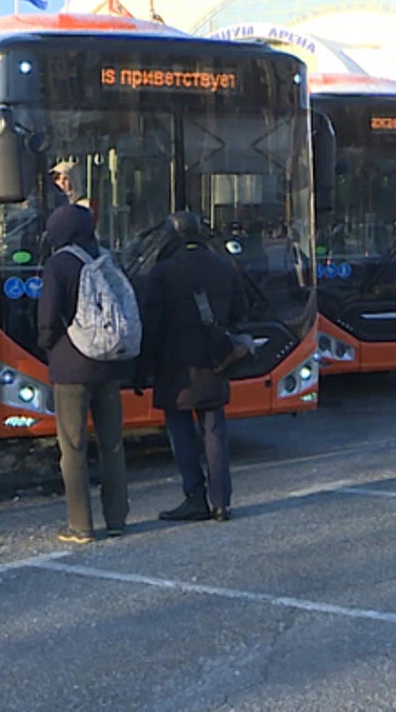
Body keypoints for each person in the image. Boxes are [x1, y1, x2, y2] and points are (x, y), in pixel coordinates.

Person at [138, 211, 243, 523]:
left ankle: (195, 497)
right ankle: (221, 501)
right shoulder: (225, 267)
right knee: (215, 430)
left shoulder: (162, 272)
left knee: (181, 431)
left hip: (176, 367)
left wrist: (142, 368)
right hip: (215, 360)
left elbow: (151, 324)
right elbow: (240, 311)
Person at [36, 204, 132, 543]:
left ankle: (81, 524)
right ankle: (117, 517)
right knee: (112, 445)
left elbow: (48, 319)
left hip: (71, 367)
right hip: (108, 363)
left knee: (73, 448)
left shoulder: (59, 263)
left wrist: (48, 346)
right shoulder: (107, 257)